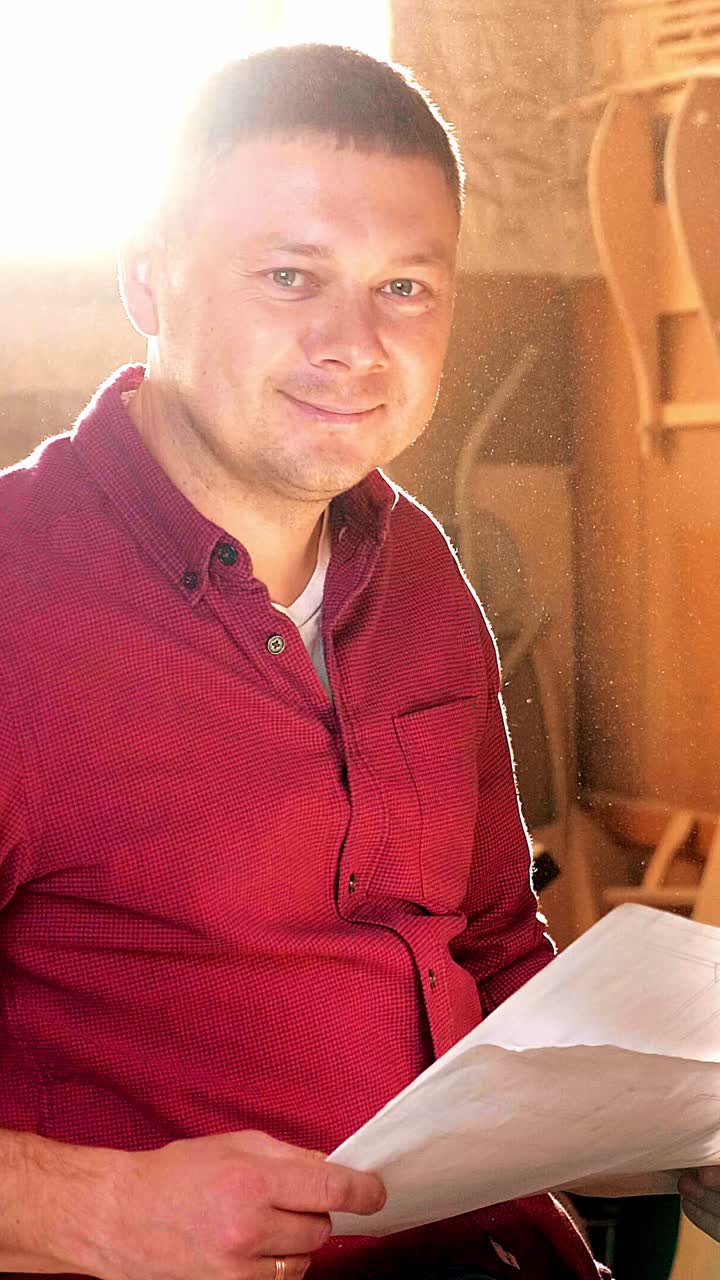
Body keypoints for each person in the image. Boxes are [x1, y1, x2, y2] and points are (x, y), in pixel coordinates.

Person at [0, 42, 717, 1280]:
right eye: (291, 276)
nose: (356, 344)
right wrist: (96, 1209)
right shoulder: (18, 597)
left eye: (404, 287)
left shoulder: (420, 573)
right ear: (148, 278)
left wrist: (674, 1122)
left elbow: (493, 951)